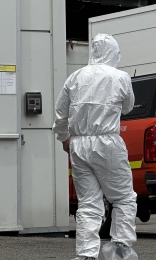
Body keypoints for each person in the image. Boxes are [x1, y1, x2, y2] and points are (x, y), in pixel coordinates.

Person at [53, 34, 137, 260]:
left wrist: (64, 138)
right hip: (107, 141)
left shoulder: (75, 77)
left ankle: (86, 255)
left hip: (78, 144)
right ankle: (120, 250)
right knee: (122, 198)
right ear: (114, 53)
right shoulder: (120, 77)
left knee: (89, 204)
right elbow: (128, 107)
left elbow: (60, 113)